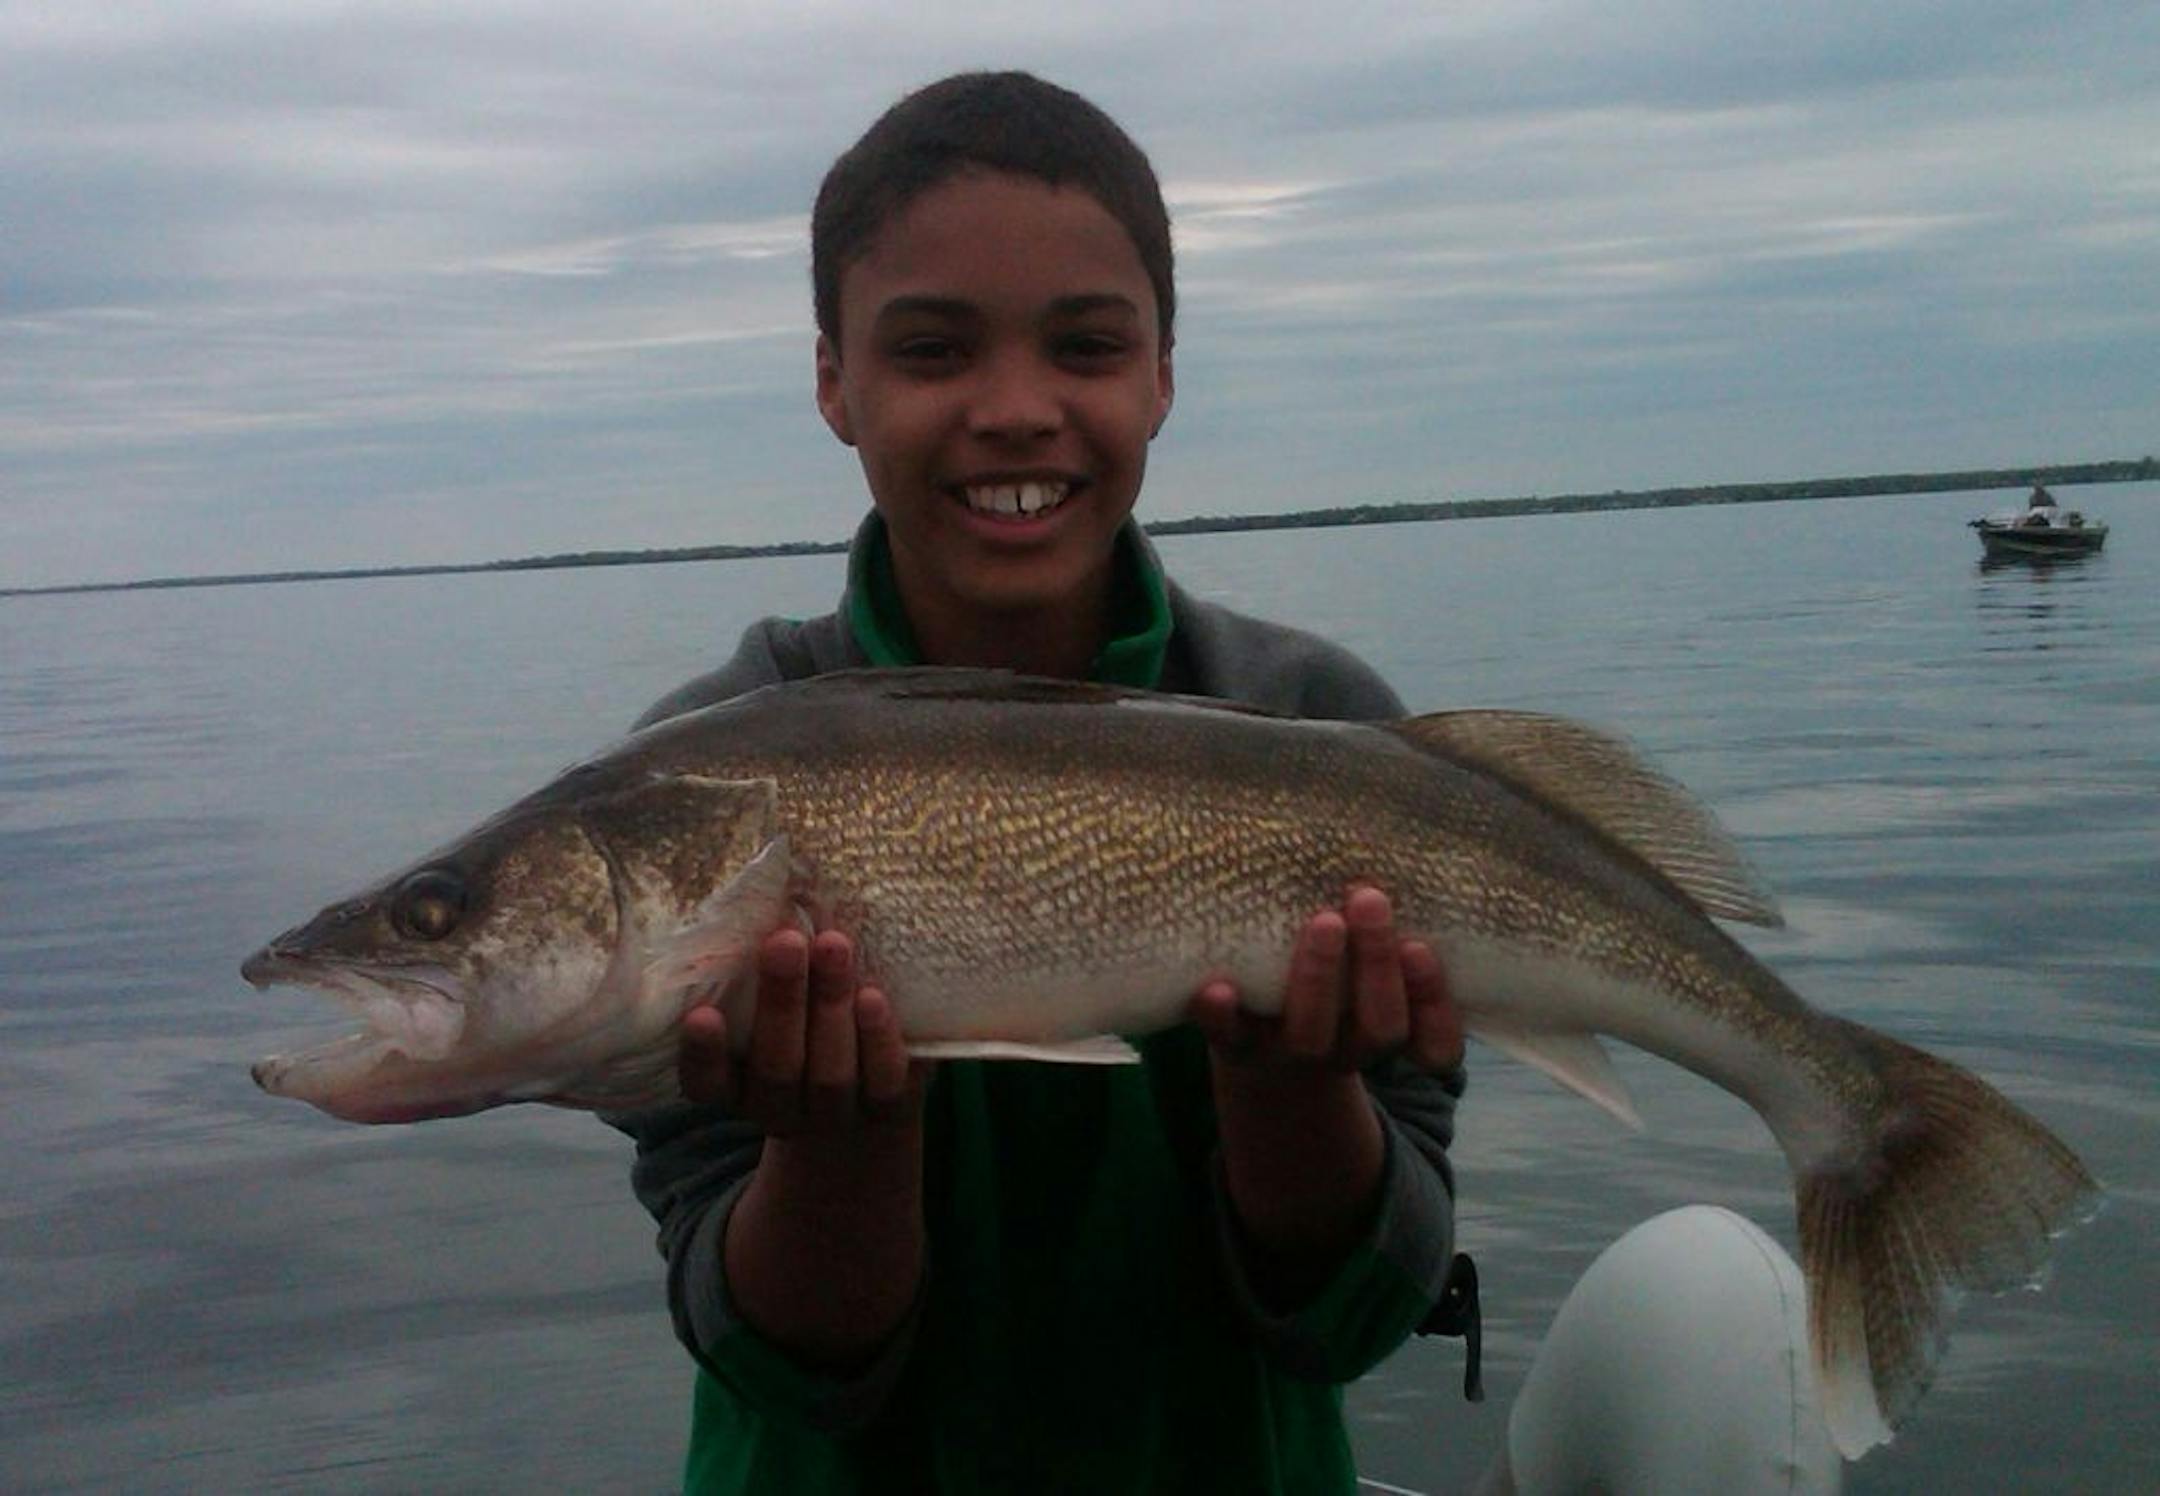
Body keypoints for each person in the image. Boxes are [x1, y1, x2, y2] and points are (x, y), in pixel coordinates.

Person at [607, 70, 1466, 1495]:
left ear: (1164, 375)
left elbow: (1354, 1320)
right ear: (833, 379)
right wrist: (839, 1152)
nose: (1016, 411)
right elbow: (785, 1361)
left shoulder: (1323, 729)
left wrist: (1295, 1098)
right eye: (935, 351)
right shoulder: (704, 781)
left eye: (1084, 346)